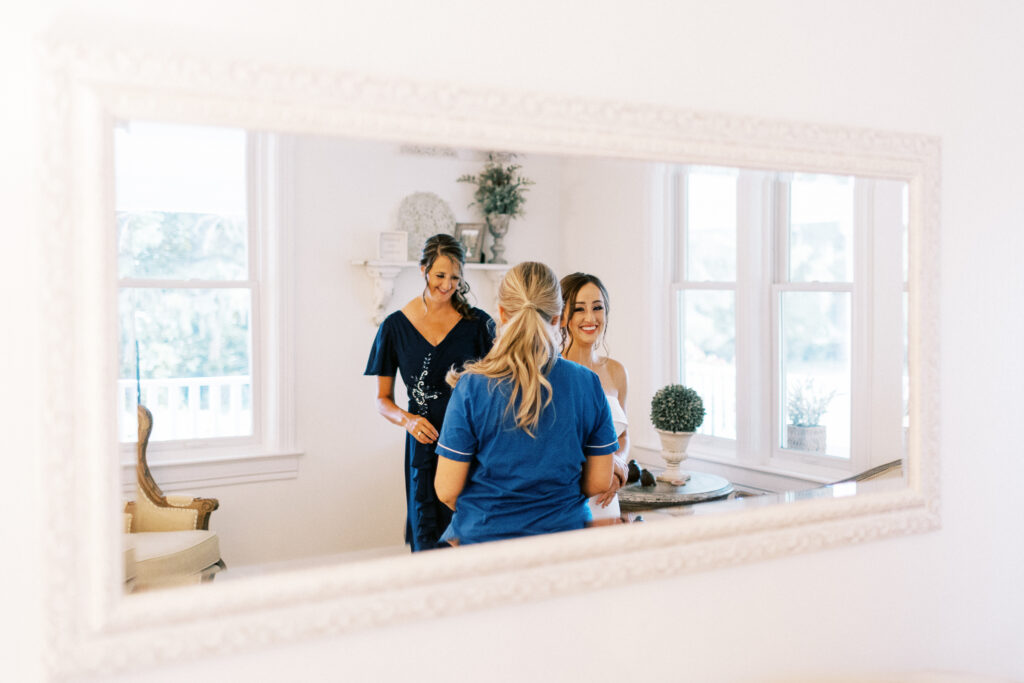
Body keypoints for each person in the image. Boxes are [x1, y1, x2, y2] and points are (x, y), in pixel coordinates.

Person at [433, 261, 618, 546]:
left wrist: (497, 512)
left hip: (486, 543)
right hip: (564, 542)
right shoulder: (587, 383)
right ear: (558, 317)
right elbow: (599, 482)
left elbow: (446, 490)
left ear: (503, 313)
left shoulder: (471, 387)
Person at [364, 234, 495, 552]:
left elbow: (497, 387)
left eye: (455, 277)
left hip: (470, 442)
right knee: (428, 540)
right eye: (440, 275)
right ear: (423, 270)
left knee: (471, 537)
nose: (447, 284)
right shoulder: (394, 327)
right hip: (423, 443)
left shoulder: (479, 325)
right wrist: (408, 421)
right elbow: (383, 401)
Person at [559, 272, 630, 524]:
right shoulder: (552, 372)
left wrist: (618, 467)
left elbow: (621, 436)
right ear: (563, 315)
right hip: (570, 496)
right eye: (579, 309)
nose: (590, 318)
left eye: (597, 308)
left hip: (609, 499)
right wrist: (601, 473)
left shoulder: (616, 371)